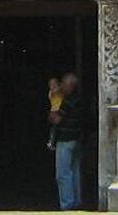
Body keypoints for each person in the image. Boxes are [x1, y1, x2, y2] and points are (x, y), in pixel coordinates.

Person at [49, 72, 88, 210]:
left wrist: (53, 110)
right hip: (77, 139)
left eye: (64, 84)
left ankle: (67, 203)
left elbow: (56, 119)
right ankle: (76, 201)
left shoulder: (68, 101)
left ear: (70, 86)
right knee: (75, 171)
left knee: (63, 173)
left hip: (66, 140)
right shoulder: (79, 100)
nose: (61, 87)